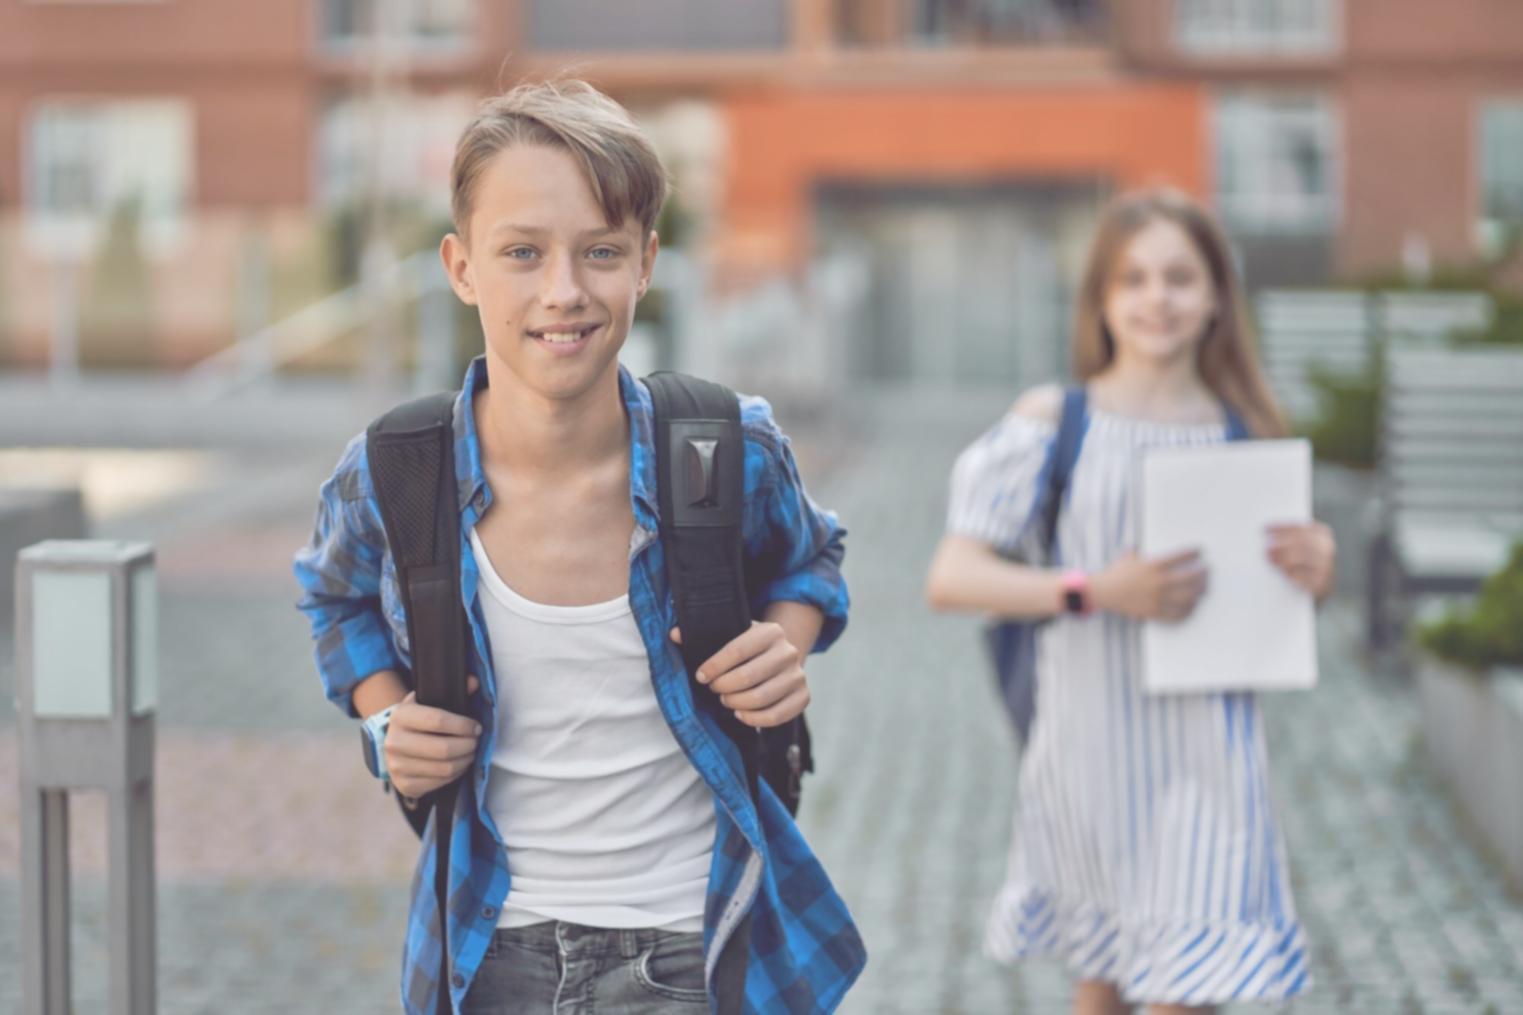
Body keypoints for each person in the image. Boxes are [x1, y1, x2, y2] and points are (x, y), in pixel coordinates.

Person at [293, 79, 864, 1015]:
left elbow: (812, 557)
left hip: (697, 940)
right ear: (461, 266)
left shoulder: (726, 446)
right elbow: (333, 594)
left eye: (599, 251)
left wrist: (785, 645)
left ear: (645, 263)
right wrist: (384, 716)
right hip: (487, 944)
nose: (564, 291)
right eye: (522, 252)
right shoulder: (396, 471)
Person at [925, 188, 1335, 1015]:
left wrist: (1316, 567)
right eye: (1134, 278)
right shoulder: (1055, 421)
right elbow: (952, 576)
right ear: (1103, 300)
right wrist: (1093, 588)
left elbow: (1269, 608)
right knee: (1101, 982)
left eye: (1180, 277)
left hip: (1214, 756)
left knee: (1193, 987)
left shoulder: (1246, 433)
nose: (1157, 297)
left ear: (1217, 294)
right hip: (1087, 745)